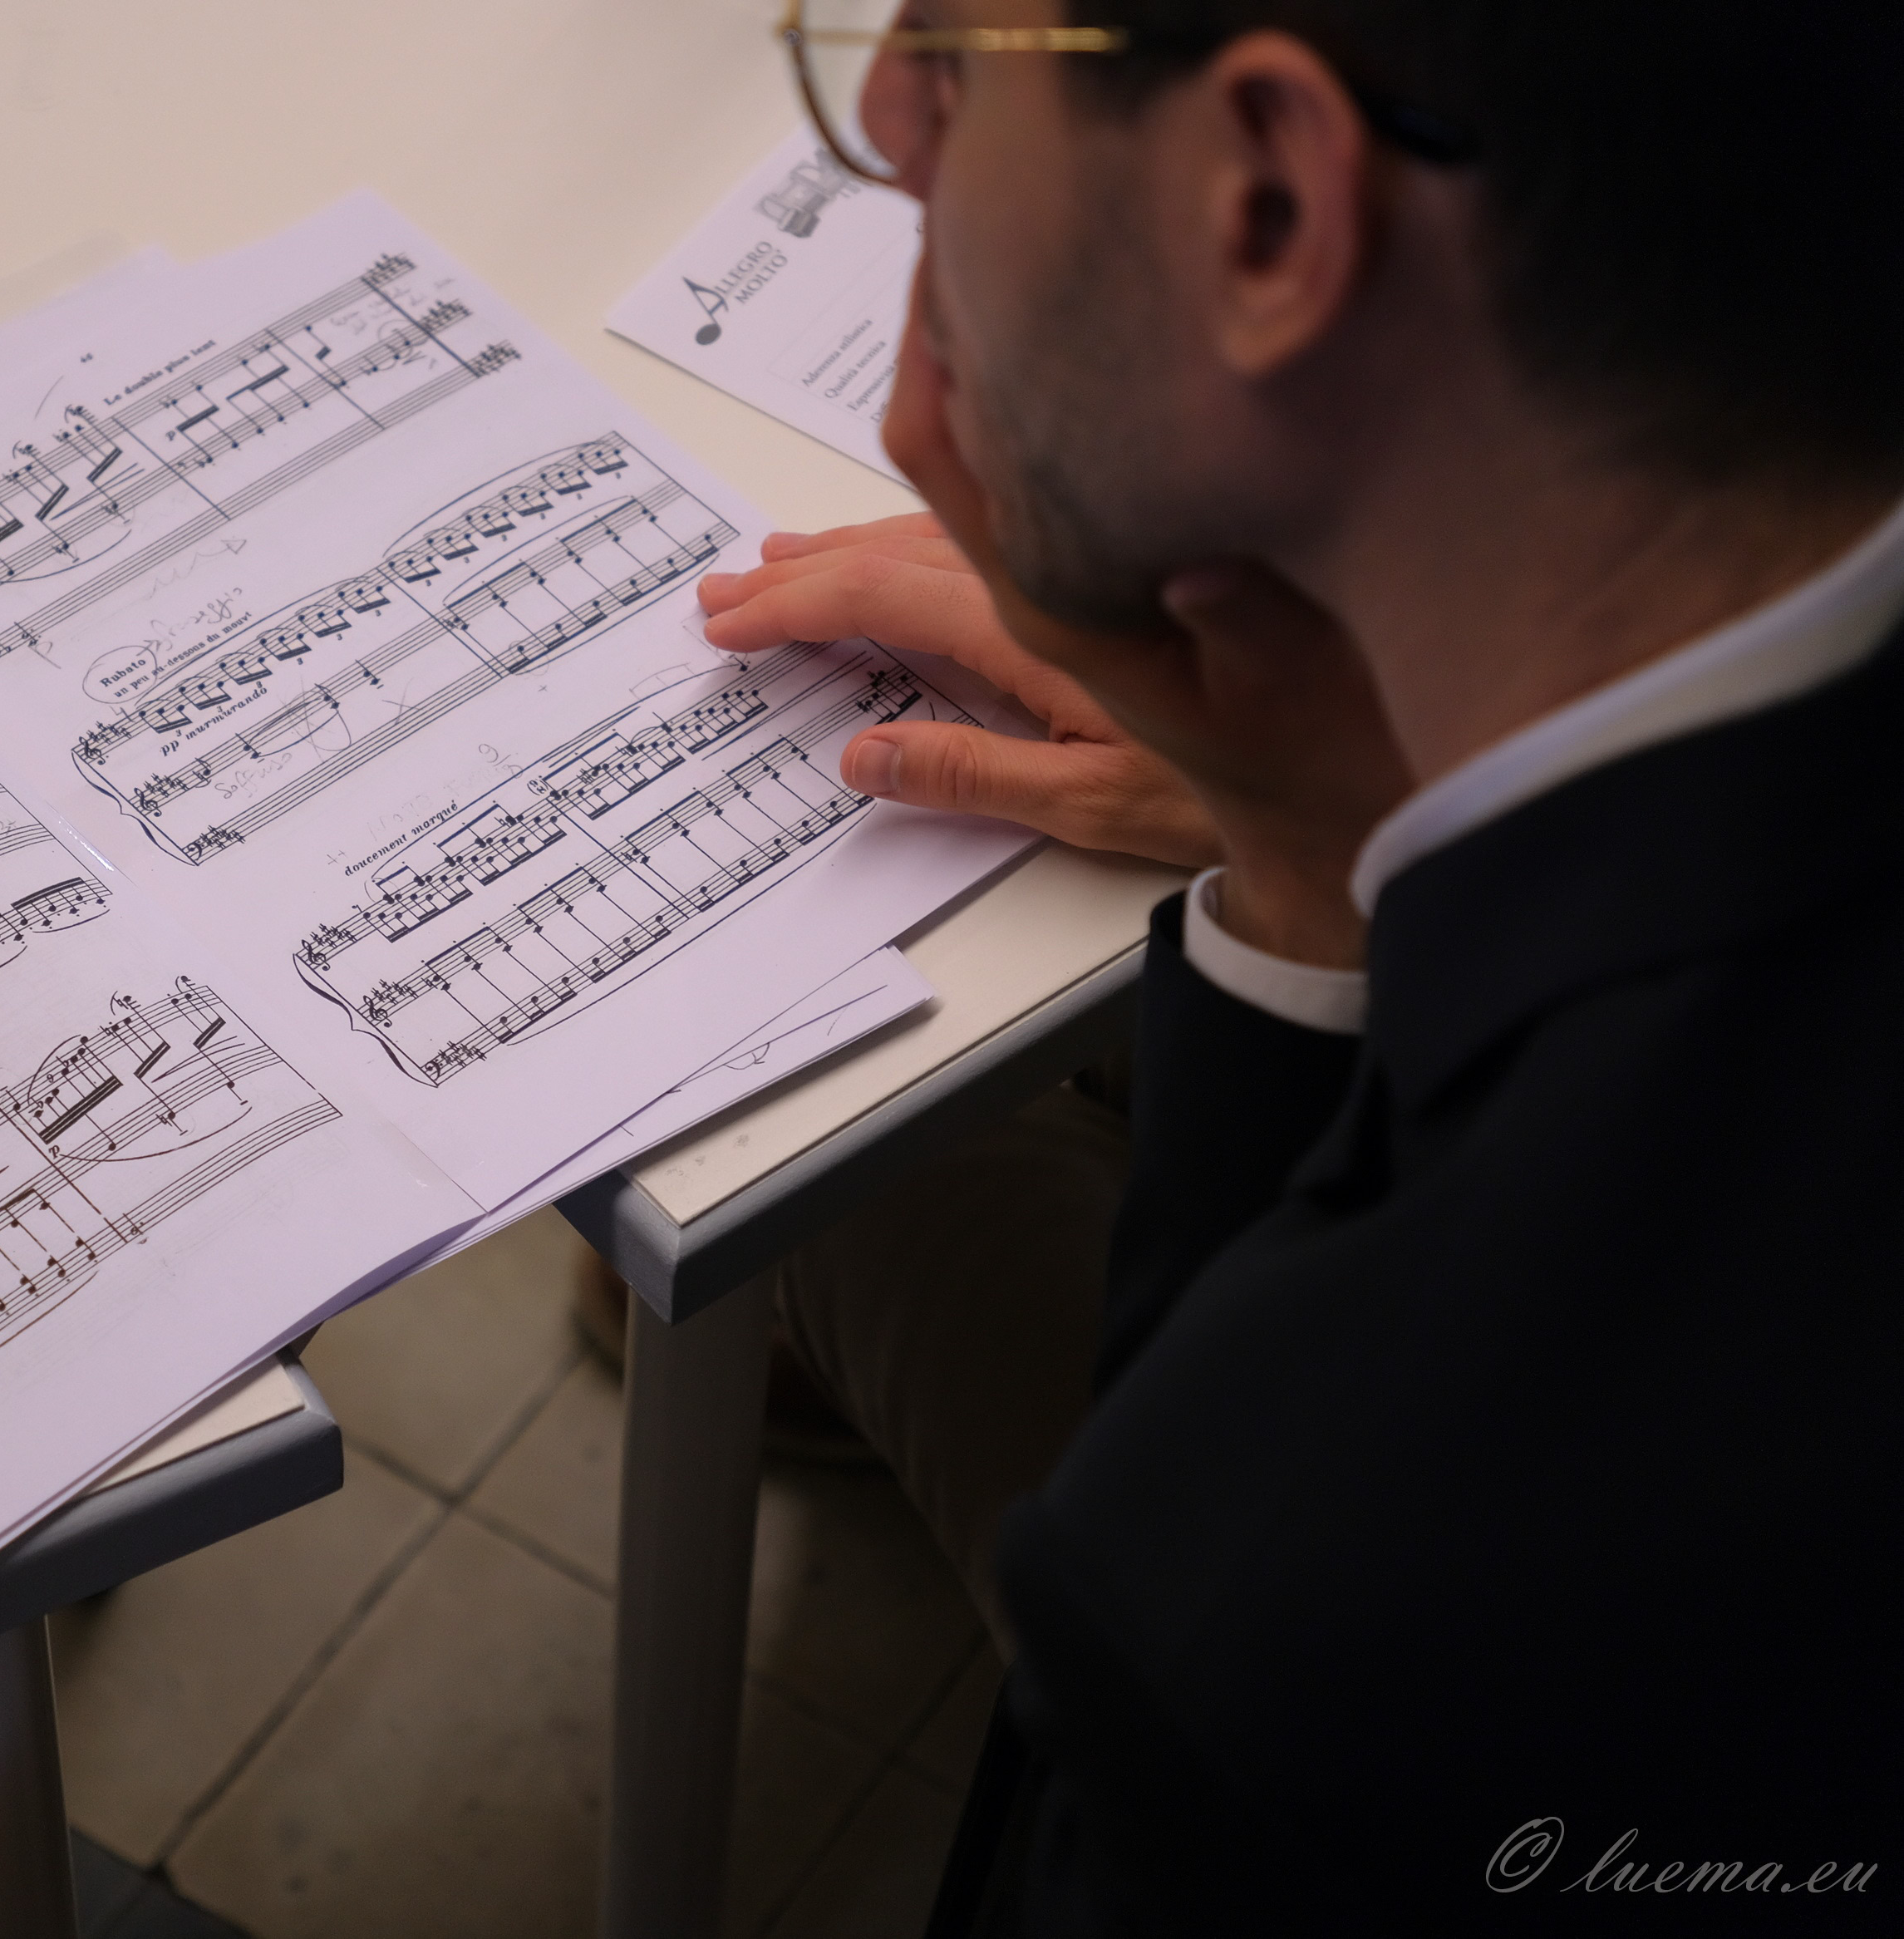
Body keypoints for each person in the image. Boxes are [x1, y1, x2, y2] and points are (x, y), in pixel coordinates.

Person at [690, 1, 1902, 1930]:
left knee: (835, 1169)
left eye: (953, 52)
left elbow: (1242, 1492)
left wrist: (1311, 886)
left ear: (1263, 206)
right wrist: (1296, 805)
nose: (896, 118)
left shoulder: (1280, 1616)